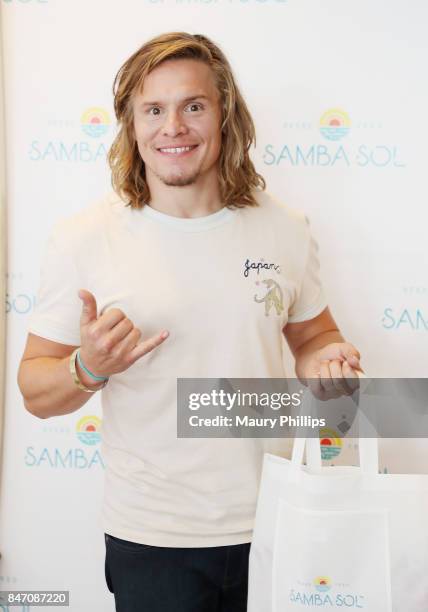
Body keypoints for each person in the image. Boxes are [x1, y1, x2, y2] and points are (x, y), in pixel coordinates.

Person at [17, 32, 362, 612]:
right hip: (154, 541)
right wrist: (87, 367)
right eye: (154, 109)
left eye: (193, 106)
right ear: (131, 124)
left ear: (226, 115)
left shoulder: (285, 228)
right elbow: (34, 389)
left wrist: (327, 358)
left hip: (277, 523)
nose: (173, 127)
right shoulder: (83, 239)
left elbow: (312, 335)